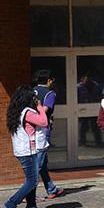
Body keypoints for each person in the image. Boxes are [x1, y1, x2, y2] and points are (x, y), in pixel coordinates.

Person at [2, 85, 49, 208]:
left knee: (31, 180)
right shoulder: (27, 112)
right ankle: (10, 204)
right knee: (32, 182)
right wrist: (39, 106)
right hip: (28, 151)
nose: (35, 99)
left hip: (22, 150)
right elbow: (44, 122)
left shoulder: (16, 111)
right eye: (34, 97)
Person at [33, 70, 65, 199]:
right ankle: (28, 193)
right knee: (38, 163)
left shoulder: (31, 91)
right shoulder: (50, 94)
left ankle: (51, 189)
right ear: (49, 80)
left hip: (30, 129)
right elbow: (44, 111)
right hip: (42, 129)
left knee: (42, 162)